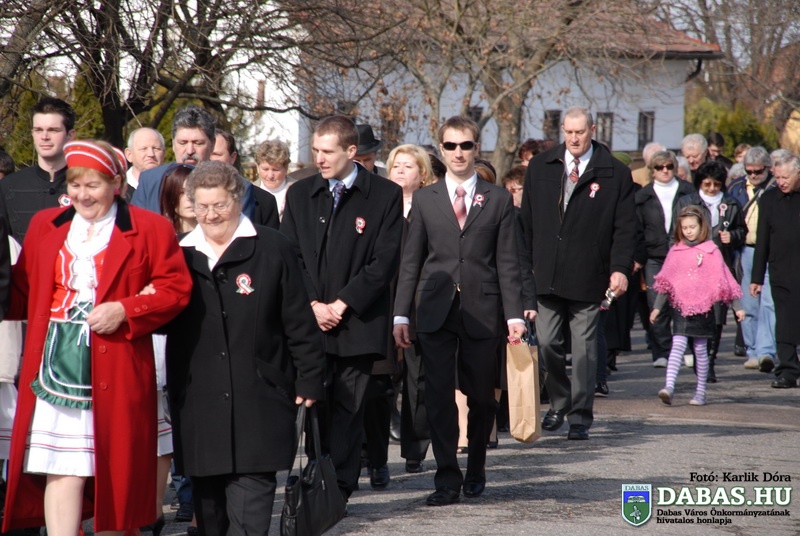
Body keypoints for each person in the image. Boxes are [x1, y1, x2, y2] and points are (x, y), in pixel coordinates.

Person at [2, 140, 192, 534]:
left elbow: (175, 289)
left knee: (115, 471)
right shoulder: (46, 226)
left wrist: (126, 309)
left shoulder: (150, 228)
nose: (82, 195)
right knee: (61, 468)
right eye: (75, 185)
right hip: (53, 367)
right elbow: (20, 291)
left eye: (93, 185)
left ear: (116, 184)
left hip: (119, 366)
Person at [164, 161, 325, 536]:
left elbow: (298, 321)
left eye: (219, 205)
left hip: (260, 402)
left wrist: (310, 378)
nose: (211, 215)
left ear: (237, 200)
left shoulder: (273, 247)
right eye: (202, 206)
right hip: (199, 406)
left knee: (250, 521)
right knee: (210, 521)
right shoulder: (176, 255)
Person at [393, 116, 528, 506]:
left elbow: (508, 261)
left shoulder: (497, 199)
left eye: (465, 145)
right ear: (441, 149)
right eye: (450, 146)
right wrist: (401, 314)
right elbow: (411, 261)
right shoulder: (426, 199)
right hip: (434, 309)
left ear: (476, 148)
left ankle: (477, 467)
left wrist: (515, 315)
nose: (458, 152)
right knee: (437, 396)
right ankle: (447, 478)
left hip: (483, 309)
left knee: (482, 397)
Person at [280, 115, 403, 502]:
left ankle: (340, 490)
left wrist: (341, 304)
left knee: (349, 410)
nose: (319, 158)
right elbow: (290, 256)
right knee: (314, 405)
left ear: (351, 151)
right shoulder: (300, 194)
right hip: (310, 322)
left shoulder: (384, 194)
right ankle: (318, 479)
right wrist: (313, 304)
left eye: (327, 151)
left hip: (357, 324)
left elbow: (384, 261)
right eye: (315, 150)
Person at [520, 106, 636, 441]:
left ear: (593, 130)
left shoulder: (614, 173)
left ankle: (580, 416)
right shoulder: (540, 166)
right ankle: (559, 401)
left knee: (584, 351)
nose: (573, 138)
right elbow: (526, 222)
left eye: (580, 132)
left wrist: (620, 269)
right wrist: (525, 266)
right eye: (568, 132)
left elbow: (626, 229)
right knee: (547, 345)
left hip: (589, 274)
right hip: (546, 273)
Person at [651, 206, 744, 406]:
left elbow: (725, 280)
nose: (688, 231)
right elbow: (666, 281)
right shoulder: (676, 251)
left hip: (704, 308)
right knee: (678, 344)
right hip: (681, 307)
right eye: (684, 228)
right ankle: (669, 386)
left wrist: (737, 307)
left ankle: (701, 392)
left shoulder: (712, 251)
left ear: (702, 227)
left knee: (701, 350)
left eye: (692, 227)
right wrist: (657, 308)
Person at [386, 144, 434, 474]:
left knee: (418, 380)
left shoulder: (430, 206)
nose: (401, 170)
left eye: (408, 166)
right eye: (396, 165)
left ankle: (414, 448)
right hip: (381, 298)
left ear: (423, 174)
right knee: (381, 379)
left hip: (417, 301)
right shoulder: (379, 205)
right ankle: (371, 451)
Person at [675, 160, 746, 381]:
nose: (712, 188)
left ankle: (709, 362)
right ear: (700, 183)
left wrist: (732, 236)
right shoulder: (687, 202)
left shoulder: (730, 203)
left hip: (719, 265)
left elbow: (741, 229)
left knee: (717, 316)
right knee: (694, 313)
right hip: (692, 267)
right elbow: (675, 234)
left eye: (716, 184)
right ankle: (698, 357)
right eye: (707, 184)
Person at [132, 106, 255, 219]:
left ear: (212, 145)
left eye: (198, 143)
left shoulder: (237, 186)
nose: (190, 150)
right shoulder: (150, 181)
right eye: (183, 143)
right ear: (173, 144)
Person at [635, 151, 696, 369]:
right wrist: (639, 257)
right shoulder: (643, 196)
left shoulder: (687, 191)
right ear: (652, 170)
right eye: (659, 167)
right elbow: (637, 230)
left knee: (683, 303)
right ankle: (661, 351)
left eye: (669, 166)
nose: (665, 171)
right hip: (655, 256)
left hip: (683, 254)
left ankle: (684, 349)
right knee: (656, 304)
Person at [750, 155, 800, 389]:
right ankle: (788, 371)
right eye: (777, 177)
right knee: (784, 322)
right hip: (781, 270)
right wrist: (757, 277)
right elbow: (763, 240)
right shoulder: (769, 199)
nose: (781, 182)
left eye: (785, 177)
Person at [727, 147, 776, 371]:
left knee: (769, 303)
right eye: (749, 171)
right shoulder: (736, 187)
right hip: (744, 250)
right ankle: (752, 350)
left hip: (771, 251)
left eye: (758, 171)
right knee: (747, 303)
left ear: (768, 168)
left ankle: (767, 350)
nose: (753, 175)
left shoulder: (776, 187)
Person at [0, 97, 76, 242]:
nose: (44, 137)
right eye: (38, 130)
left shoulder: (85, 187)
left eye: (53, 130)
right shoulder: (8, 187)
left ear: (70, 135)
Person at [210, 129, 279, 229]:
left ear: (232, 158)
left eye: (217, 155)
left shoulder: (265, 201)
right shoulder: (188, 194)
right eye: (207, 154)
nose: (211, 160)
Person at [254, 139, 297, 221]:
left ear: (286, 168)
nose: (270, 176)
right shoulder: (249, 191)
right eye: (265, 169)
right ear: (257, 167)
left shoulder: (298, 190)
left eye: (275, 170)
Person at [123, 127, 166, 200]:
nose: (151, 154)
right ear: (129, 154)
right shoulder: (119, 191)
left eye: (156, 148)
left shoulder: (174, 187)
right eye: (144, 149)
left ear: (164, 153)